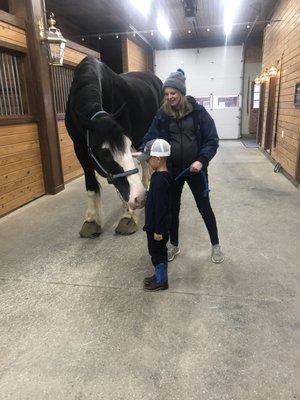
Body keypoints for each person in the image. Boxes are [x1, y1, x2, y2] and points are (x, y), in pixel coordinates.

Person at [138, 69, 224, 264]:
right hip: (173, 171)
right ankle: (174, 245)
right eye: (166, 94)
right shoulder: (162, 114)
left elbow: (212, 140)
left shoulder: (198, 112)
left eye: (173, 93)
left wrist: (201, 160)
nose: (169, 97)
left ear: (181, 93)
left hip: (196, 171)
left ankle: (216, 245)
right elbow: (149, 137)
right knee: (172, 210)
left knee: (204, 207)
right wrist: (144, 150)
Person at [134, 139, 173, 291]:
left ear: (158, 158)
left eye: (149, 159)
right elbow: (156, 200)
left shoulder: (160, 181)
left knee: (157, 252)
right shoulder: (159, 176)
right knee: (156, 251)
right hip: (155, 225)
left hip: (158, 227)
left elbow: (162, 208)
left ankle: (162, 281)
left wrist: (158, 230)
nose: (147, 162)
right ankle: (158, 275)